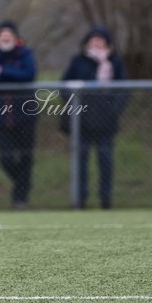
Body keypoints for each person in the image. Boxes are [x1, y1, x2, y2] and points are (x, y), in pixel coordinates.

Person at [59, 24, 128, 209]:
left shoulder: (115, 62)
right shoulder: (78, 61)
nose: (96, 43)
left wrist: (114, 110)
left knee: (106, 161)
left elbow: (123, 89)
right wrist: (75, 105)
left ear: (107, 43)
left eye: (100, 39)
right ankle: (80, 199)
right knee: (80, 161)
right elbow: (64, 86)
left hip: (106, 121)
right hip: (81, 121)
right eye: (93, 39)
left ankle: (106, 199)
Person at [0, 21, 38, 209]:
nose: (5, 38)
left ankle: (20, 198)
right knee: (5, 158)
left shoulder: (25, 53)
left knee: (26, 156)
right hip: (1, 115)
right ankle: (23, 184)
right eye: (1, 35)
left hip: (25, 114)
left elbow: (29, 75)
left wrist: (3, 71)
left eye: (8, 35)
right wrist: (9, 75)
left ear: (15, 38)